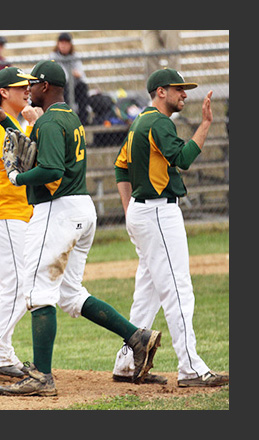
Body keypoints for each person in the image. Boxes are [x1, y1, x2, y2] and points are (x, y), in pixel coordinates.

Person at [0, 60, 163, 397]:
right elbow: (48, 153)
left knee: (38, 291)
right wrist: (11, 125)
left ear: (46, 87)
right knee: (69, 294)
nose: (28, 90)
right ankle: (137, 338)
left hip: (57, 211)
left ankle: (41, 376)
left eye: (33, 84)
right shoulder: (67, 117)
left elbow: (51, 168)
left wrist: (18, 178)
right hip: (80, 209)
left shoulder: (51, 121)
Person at [111, 68, 229, 388]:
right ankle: (190, 367)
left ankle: (125, 362)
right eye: (178, 89)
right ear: (160, 92)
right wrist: (205, 125)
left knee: (147, 294)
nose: (184, 95)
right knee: (178, 290)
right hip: (158, 213)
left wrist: (128, 211)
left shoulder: (139, 122)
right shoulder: (159, 122)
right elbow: (184, 158)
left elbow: (120, 165)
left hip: (143, 211)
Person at [0, 67, 39, 378]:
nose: (27, 90)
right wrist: (33, 124)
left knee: (7, 286)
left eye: (28, 86)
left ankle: (1, 349)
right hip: (3, 213)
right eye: (20, 87)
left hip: (7, 214)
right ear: (3, 92)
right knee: (19, 285)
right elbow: (26, 162)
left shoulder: (8, 125)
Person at [50, 32, 90, 125]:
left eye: (66, 43)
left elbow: (81, 74)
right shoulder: (53, 56)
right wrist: (71, 73)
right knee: (65, 87)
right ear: (58, 44)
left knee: (83, 87)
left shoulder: (75, 56)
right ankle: (66, 119)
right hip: (62, 88)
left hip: (75, 87)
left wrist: (75, 74)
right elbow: (62, 75)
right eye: (62, 43)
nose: (64, 46)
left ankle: (83, 120)